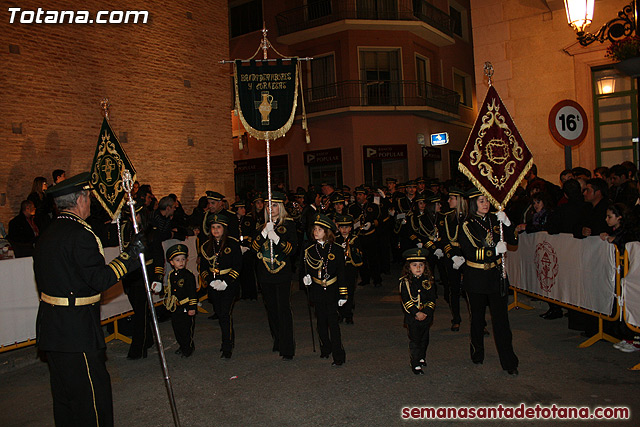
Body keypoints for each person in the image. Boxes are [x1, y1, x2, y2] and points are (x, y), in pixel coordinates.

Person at [33, 172, 144, 427]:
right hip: (77, 330)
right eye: (89, 197)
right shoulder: (80, 234)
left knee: (64, 398)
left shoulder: (48, 233)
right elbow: (99, 280)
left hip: (53, 325)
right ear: (80, 199)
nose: (90, 203)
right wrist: (130, 257)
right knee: (92, 399)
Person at [458, 188, 519, 376]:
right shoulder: (467, 224)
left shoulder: (495, 219)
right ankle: (477, 353)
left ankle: (509, 362)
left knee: (501, 321)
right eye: (481, 201)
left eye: (487, 201)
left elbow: (512, 240)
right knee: (477, 319)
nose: (485, 204)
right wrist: (494, 251)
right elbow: (471, 251)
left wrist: (507, 223)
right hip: (476, 277)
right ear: (473, 203)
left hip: (496, 276)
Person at [251, 191, 298, 360]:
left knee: (283, 309)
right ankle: (277, 339)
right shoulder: (260, 225)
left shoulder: (289, 224)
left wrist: (277, 239)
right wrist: (264, 233)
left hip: (282, 273)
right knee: (271, 309)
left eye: (275, 205)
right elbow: (254, 247)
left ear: (281, 207)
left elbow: (293, 250)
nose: (272, 208)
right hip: (265, 274)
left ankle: (287, 347)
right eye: (269, 205)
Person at [302, 213, 347, 366]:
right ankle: (325, 348)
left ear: (327, 232)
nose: (316, 232)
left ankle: (338, 355)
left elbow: (341, 273)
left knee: (333, 323)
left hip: (333, 290)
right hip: (317, 289)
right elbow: (306, 269)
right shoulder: (309, 250)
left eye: (320, 229)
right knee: (321, 322)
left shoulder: (336, 250)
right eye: (314, 229)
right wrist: (306, 279)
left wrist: (343, 294)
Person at [121, 203, 164, 360]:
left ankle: (138, 348)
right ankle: (148, 339)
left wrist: (158, 278)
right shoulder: (128, 230)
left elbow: (158, 256)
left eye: (136, 215)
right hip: (131, 276)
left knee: (140, 313)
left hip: (145, 276)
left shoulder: (151, 232)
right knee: (140, 311)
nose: (133, 218)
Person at [200, 212, 242, 358]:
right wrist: (210, 281)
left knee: (225, 314)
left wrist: (226, 282)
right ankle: (226, 341)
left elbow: (237, 266)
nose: (216, 230)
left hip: (228, 284)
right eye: (213, 227)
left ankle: (227, 346)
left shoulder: (232, 244)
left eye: (219, 227)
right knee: (220, 313)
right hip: (213, 284)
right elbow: (203, 268)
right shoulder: (206, 246)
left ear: (224, 228)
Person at [399, 247, 436, 375]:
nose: (418, 268)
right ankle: (415, 363)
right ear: (409, 267)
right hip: (412, 317)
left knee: (424, 339)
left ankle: (421, 356)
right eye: (414, 265)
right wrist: (416, 313)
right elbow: (406, 300)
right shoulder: (405, 282)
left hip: (426, 316)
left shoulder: (429, 281)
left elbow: (432, 299)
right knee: (415, 340)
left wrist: (426, 312)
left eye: (421, 265)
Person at [438, 187, 468, 332]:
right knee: (453, 288)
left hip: (468, 256)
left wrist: (466, 255)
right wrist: (453, 255)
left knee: (472, 290)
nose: (448, 201)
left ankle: (480, 323)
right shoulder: (446, 217)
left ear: (459, 200)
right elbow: (444, 240)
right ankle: (456, 318)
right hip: (452, 256)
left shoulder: (470, 216)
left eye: (452, 198)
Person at [163, 243, 198, 358]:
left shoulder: (188, 276)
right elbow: (170, 290)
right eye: (177, 260)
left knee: (186, 330)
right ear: (171, 262)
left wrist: (192, 307)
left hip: (185, 307)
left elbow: (192, 293)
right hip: (176, 308)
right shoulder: (171, 275)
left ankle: (188, 348)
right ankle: (182, 345)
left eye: (183, 259)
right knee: (177, 329)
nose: (181, 262)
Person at [335, 214, 363, 324]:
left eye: (346, 227)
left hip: (350, 269)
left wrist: (350, 249)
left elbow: (360, 255)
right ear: (338, 227)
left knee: (350, 291)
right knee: (339, 291)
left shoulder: (355, 239)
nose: (344, 230)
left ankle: (349, 314)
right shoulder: (336, 240)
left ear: (350, 228)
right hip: (339, 270)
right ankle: (340, 313)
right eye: (342, 227)